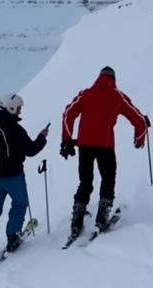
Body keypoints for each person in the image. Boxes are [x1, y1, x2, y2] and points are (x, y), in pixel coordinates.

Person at [60, 66, 147, 234]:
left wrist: (67, 141)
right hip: (105, 145)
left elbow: (68, 114)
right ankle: (102, 215)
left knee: (85, 180)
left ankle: (77, 218)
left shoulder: (85, 94)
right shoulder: (117, 96)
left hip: (84, 145)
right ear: (113, 79)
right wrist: (139, 138)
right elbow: (139, 119)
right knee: (108, 177)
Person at [0, 93, 48, 259]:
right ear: (11, 108)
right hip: (13, 176)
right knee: (19, 204)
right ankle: (13, 236)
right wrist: (42, 138)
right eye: (18, 108)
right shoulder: (14, 128)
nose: (20, 112)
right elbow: (31, 150)